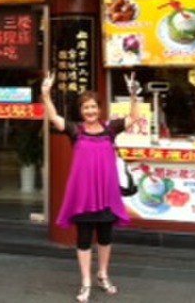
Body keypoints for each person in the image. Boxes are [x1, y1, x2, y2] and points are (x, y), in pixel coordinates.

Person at [41, 71, 140, 303]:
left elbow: (132, 118)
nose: (91, 111)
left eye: (94, 107)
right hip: (83, 197)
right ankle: (86, 281)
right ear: (81, 111)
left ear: (99, 109)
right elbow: (54, 118)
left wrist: (133, 95)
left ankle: (103, 274)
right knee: (84, 239)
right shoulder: (76, 130)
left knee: (105, 238)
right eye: (86, 108)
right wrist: (45, 95)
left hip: (106, 195)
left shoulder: (110, 129)